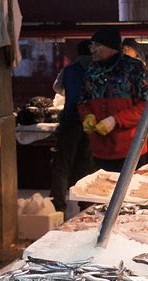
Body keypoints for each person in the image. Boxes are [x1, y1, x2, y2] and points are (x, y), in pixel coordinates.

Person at [78, 27, 148, 172]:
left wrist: (115, 120)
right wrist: (87, 115)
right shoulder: (91, 70)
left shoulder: (134, 68)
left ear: (112, 47)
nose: (92, 50)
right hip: (100, 149)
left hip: (130, 148)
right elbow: (83, 100)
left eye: (97, 45)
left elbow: (147, 107)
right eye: (91, 45)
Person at [51, 40, 95, 214]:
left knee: (62, 164)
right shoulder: (97, 70)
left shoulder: (68, 70)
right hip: (91, 123)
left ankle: (59, 205)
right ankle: (85, 205)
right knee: (87, 164)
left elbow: (57, 88)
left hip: (70, 121)